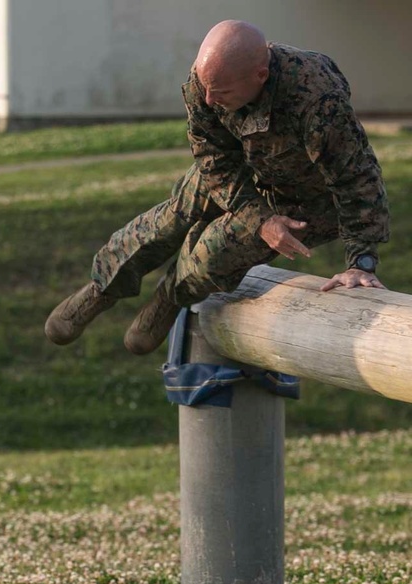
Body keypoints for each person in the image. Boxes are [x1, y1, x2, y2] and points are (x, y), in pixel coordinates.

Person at [44, 20, 390, 355]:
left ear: (260, 76)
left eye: (220, 92)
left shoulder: (317, 99)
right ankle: (103, 286)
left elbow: (357, 177)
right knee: (169, 221)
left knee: (213, 255)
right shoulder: (207, 80)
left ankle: (171, 295)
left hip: (306, 198)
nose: (208, 99)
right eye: (204, 86)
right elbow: (212, 157)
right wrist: (259, 217)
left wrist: (361, 262)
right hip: (241, 164)